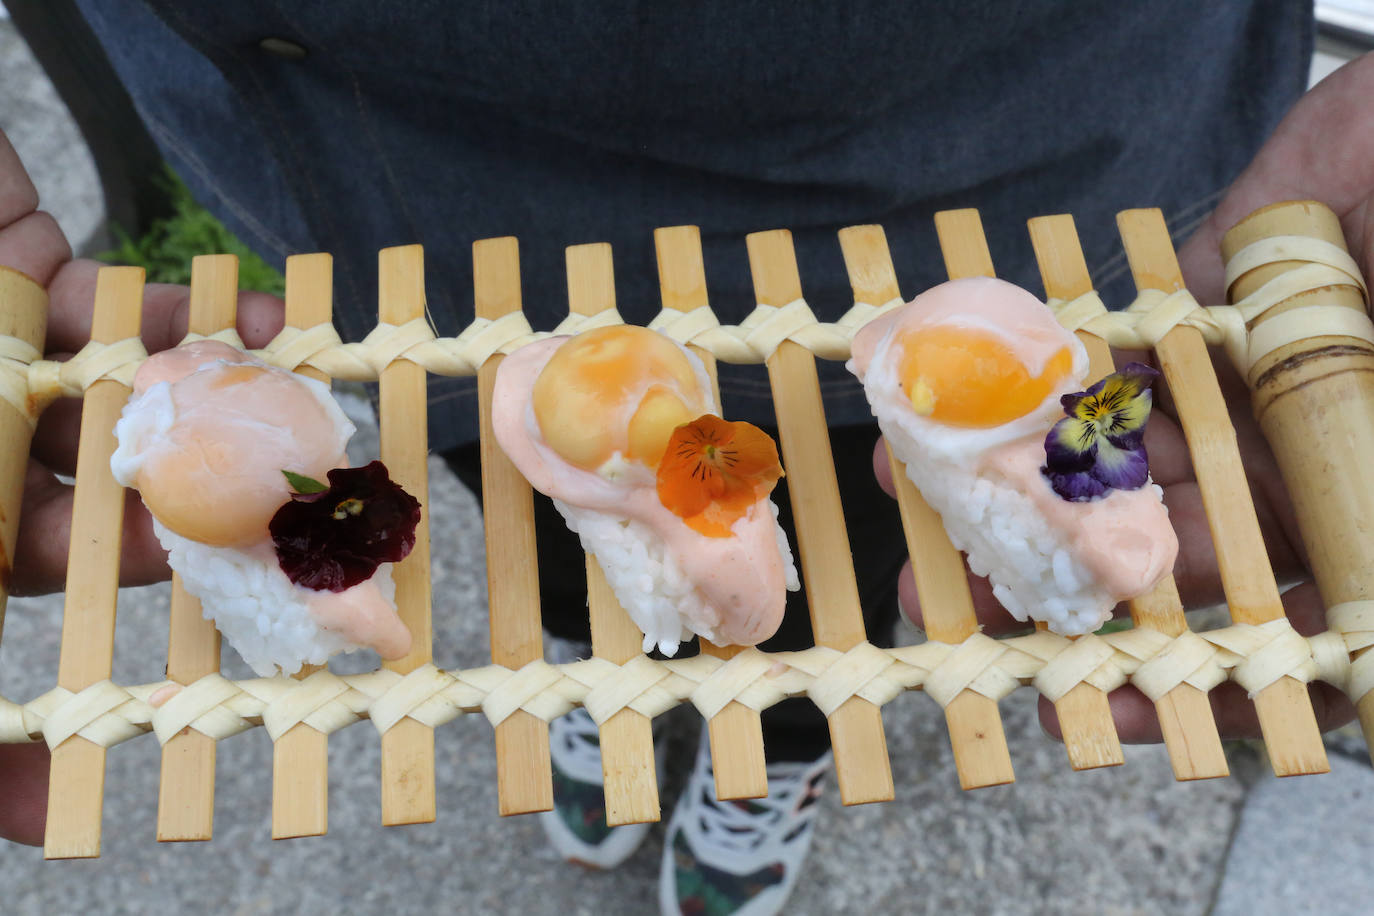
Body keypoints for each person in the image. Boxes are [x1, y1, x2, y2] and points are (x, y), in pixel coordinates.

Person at [1, 2, 1368, 913]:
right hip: (372, 155)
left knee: (856, 555)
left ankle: (775, 745)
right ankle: (613, 670)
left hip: (971, 133)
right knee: (525, 508)